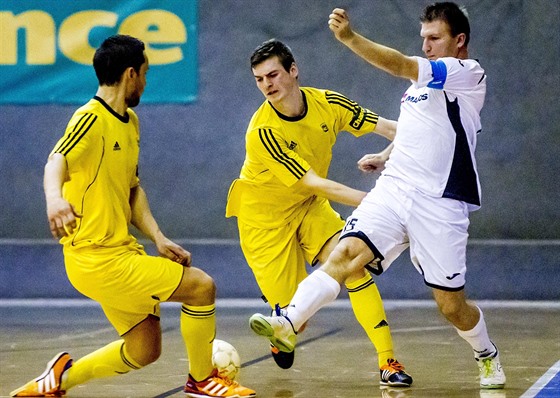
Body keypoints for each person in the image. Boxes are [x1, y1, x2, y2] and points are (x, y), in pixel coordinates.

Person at [249, 3, 506, 390]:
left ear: (459, 40)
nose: (427, 45)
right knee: (346, 255)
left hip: (440, 202)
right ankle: (288, 322)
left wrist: (349, 38)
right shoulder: (417, 92)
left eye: (435, 38)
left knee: (451, 307)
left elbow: (402, 64)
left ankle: (485, 353)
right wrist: (385, 156)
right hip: (394, 189)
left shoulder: (466, 73)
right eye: (423, 38)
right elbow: (418, 131)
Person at [10, 34, 255, 398]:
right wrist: (53, 199)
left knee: (144, 350)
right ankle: (202, 381)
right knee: (201, 287)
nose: (145, 81)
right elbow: (56, 160)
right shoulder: (89, 119)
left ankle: (58, 379)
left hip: (120, 252)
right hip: (96, 259)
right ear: (130, 75)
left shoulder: (130, 122)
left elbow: (132, 191)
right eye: (144, 73)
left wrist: (158, 237)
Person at [226, 39, 412, 387]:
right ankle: (280, 317)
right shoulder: (263, 131)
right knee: (296, 321)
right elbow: (314, 182)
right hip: (264, 220)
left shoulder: (328, 104)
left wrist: (429, 134)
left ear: (293, 71)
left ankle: (388, 361)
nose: (267, 85)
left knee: (353, 265)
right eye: (259, 79)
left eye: (273, 75)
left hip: (309, 208)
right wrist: (374, 201)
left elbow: (393, 128)